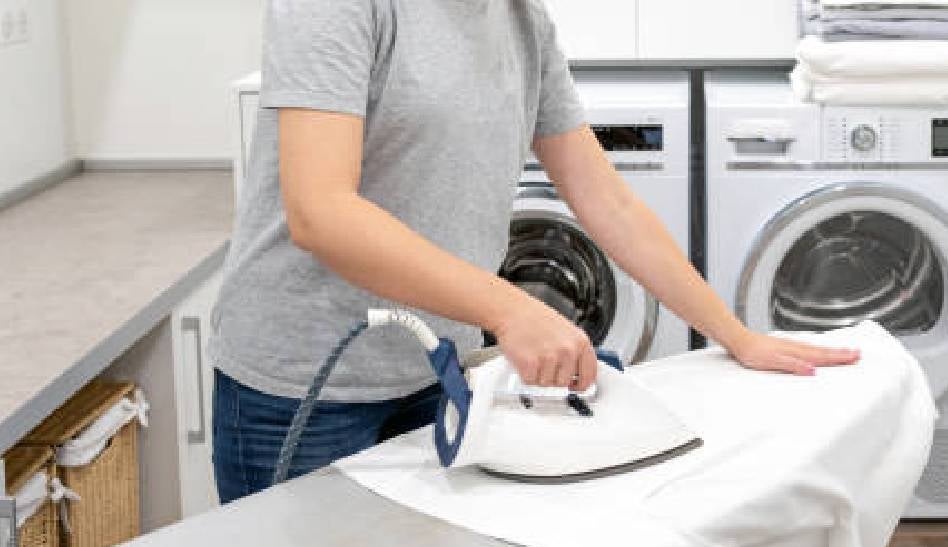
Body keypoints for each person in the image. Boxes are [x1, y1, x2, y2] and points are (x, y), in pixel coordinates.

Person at [208, 0, 860, 503]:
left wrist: (735, 334)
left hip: (434, 370)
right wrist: (512, 310)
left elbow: (608, 203)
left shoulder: (520, 19)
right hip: (301, 384)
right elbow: (322, 212)